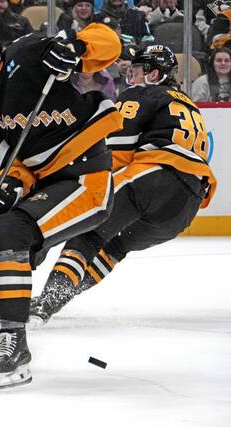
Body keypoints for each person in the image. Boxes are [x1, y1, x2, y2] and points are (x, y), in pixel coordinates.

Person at [0, 22, 123, 388]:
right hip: (46, 188)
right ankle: (0, 337)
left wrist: (77, 48)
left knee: (9, 230)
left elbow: (110, 45)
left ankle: (15, 345)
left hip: (86, 179)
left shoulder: (30, 54)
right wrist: (5, 190)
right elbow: (15, 171)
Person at [29, 45, 217, 326]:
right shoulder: (189, 103)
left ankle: (47, 302)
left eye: (137, 70)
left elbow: (114, 152)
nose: (131, 77)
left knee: (89, 231)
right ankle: (57, 297)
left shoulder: (141, 94)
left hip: (153, 178)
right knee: (114, 248)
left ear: (154, 74)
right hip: (186, 205)